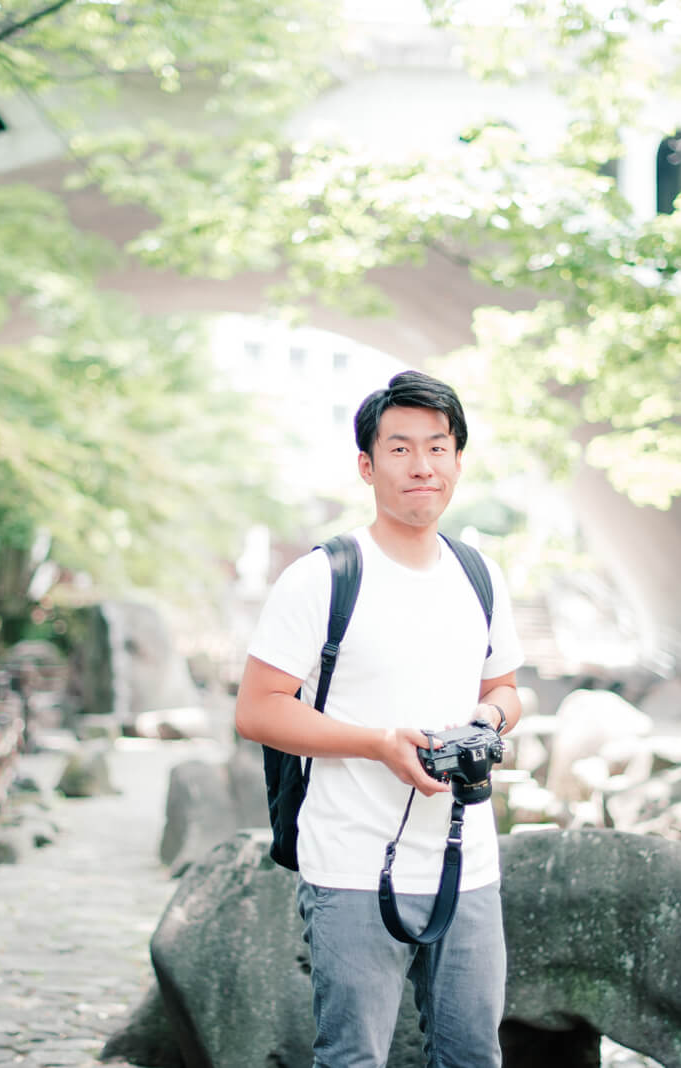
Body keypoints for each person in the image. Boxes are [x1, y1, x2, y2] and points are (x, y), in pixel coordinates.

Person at [235, 370, 524, 1068]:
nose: (422, 466)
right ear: (367, 466)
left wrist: (486, 720)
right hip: (351, 862)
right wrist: (378, 744)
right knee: (353, 1059)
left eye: (438, 447)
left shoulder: (480, 575)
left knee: (473, 1056)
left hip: (466, 863)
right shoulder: (324, 576)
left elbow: (506, 688)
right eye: (400, 449)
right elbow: (258, 708)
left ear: (458, 460)